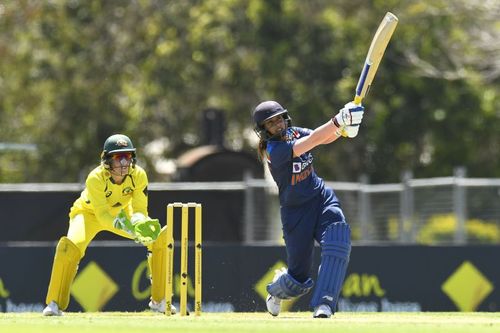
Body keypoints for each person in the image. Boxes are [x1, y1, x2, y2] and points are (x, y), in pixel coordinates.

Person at [252, 100, 364, 318]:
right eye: (270, 123)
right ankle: (276, 290)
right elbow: (311, 141)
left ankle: (325, 304)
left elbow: (323, 137)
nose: (278, 125)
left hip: (321, 198)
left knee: (338, 240)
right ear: (263, 130)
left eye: (279, 119)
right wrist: (338, 120)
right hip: (296, 213)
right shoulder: (275, 150)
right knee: (298, 280)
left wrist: (345, 129)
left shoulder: (294, 132)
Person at [42, 134, 173, 316]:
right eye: (119, 158)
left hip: (121, 213)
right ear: (107, 160)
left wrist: (138, 222)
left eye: (127, 157)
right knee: (70, 246)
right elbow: (102, 215)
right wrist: (126, 227)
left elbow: (140, 209)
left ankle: (160, 301)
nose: (124, 163)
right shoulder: (95, 178)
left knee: (158, 239)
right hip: (88, 213)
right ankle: (54, 304)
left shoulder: (139, 175)